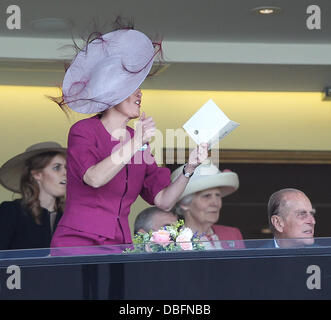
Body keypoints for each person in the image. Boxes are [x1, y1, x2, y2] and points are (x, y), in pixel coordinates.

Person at [50, 23, 208, 249]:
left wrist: (189, 168)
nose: (140, 93)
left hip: (120, 243)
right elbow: (94, 178)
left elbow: (164, 201)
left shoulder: (138, 139)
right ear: (114, 93)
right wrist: (135, 143)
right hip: (78, 241)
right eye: (133, 87)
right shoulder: (84, 131)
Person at [0, 142, 66, 250]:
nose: (65, 173)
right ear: (37, 174)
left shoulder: (70, 217)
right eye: (56, 167)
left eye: (66, 167)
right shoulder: (11, 212)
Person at [172, 159, 244, 250]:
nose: (215, 203)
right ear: (184, 204)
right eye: (206, 196)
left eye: (217, 195)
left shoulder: (232, 234)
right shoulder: (171, 241)